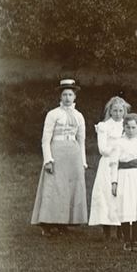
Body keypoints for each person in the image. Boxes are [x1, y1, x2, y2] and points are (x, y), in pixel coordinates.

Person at [33, 79, 89, 235]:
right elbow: (45, 139)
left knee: (69, 187)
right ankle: (46, 223)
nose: (67, 98)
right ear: (60, 96)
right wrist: (48, 160)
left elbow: (82, 140)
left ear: (75, 96)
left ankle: (63, 222)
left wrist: (83, 162)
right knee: (54, 187)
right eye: (64, 94)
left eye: (70, 94)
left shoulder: (79, 116)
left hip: (73, 153)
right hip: (57, 151)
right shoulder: (53, 114)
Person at [104, 113, 137, 252]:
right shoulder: (118, 143)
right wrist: (114, 182)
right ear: (124, 127)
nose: (130, 130)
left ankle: (135, 240)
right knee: (125, 206)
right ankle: (127, 240)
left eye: (133, 127)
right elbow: (114, 164)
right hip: (124, 177)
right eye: (127, 127)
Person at [90, 95, 128, 240]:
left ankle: (120, 228)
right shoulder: (104, 126)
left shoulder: (127, 125)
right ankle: (106, 229)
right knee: (106, 194)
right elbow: (102, 149)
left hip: (123, 163)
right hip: (108, 163)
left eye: (120, 111)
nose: (118, 114)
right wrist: (117, 149)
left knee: (121, 194)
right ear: (110, 112)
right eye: (115, 111)